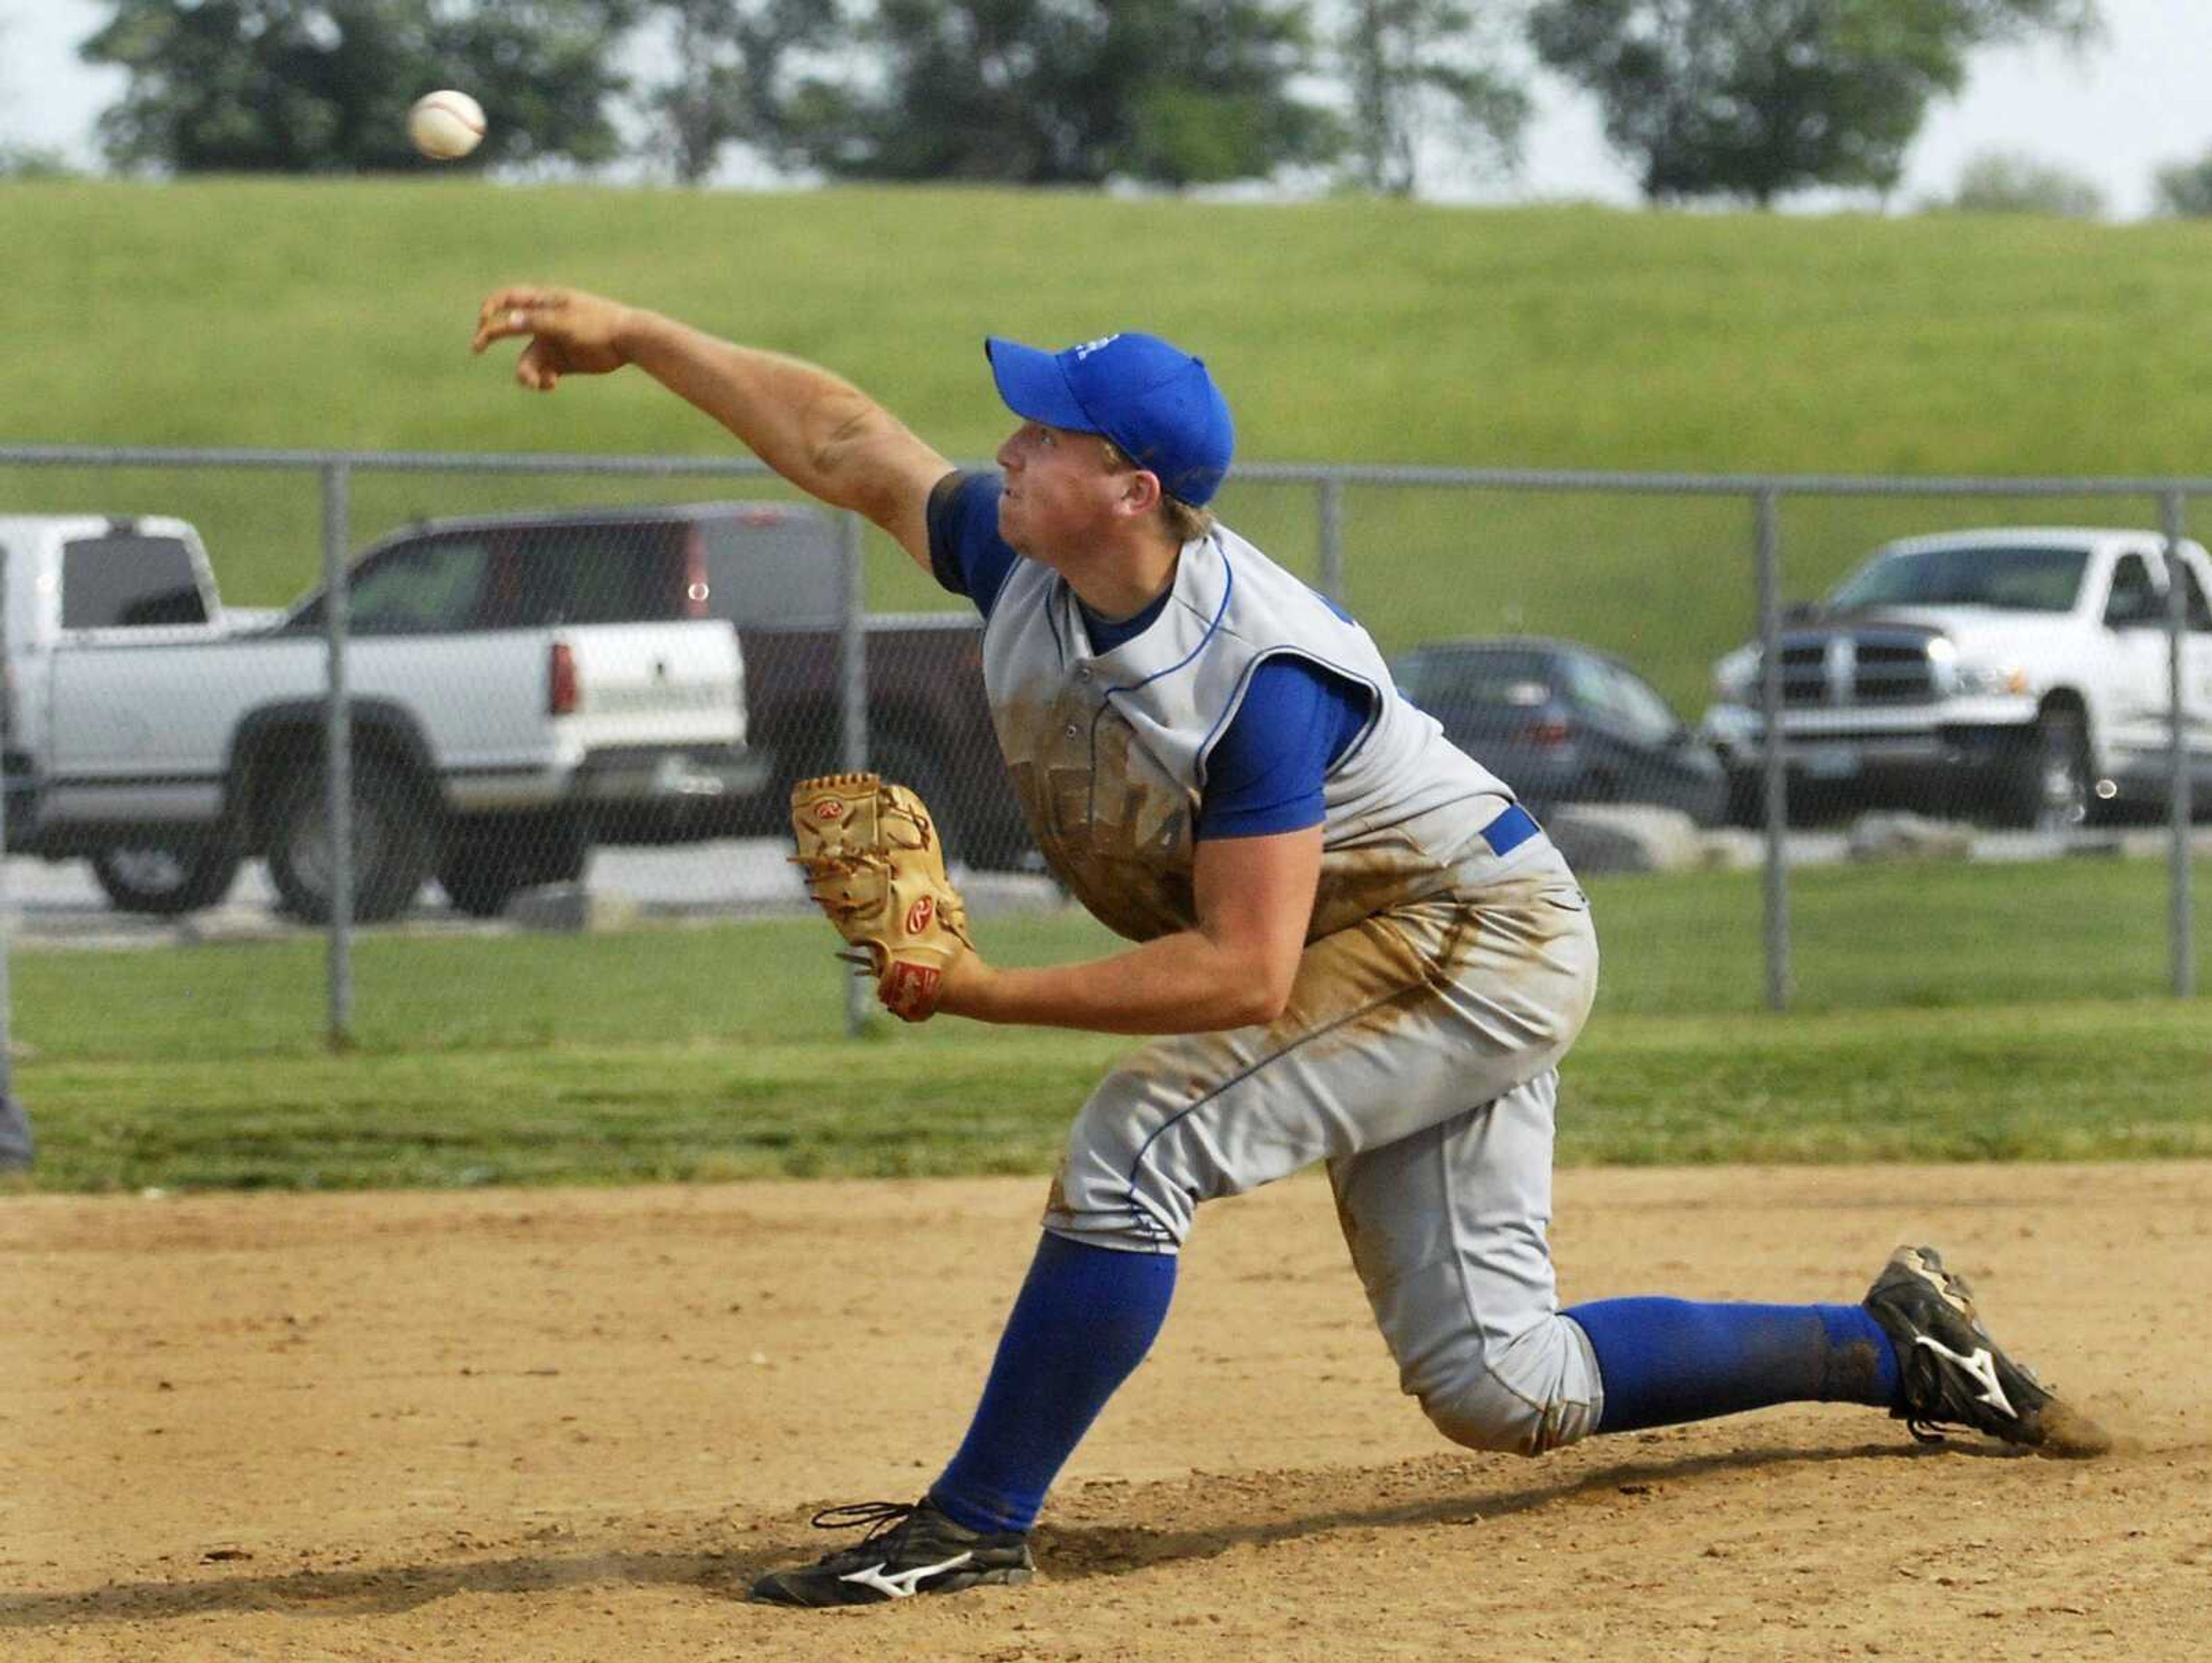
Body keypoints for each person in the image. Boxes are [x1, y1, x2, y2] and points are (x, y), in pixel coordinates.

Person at [469, 290, 2106, 1608]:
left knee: (1137, 1145)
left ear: (1134, 490)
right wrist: (645, 338)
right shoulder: (1024, 557)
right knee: (1501, 1386)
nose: (1007, 442)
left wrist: (985, 993)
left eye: (1047, 429)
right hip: (1398, 940)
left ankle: (974, 1522)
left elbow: (1247, 980)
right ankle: (1892, 1344)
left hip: (1467, 941)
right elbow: (845, 441)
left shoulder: (1257, 678)